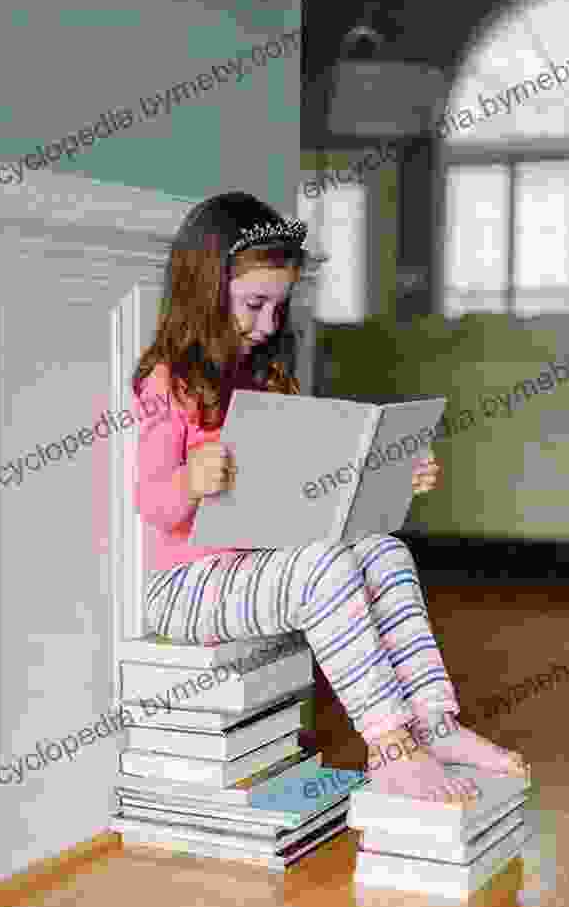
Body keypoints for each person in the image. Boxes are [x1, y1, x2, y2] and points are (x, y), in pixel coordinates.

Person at [131, 192, 528, 804]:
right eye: (253, 304)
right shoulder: (169, 383)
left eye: (277, 307)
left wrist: (391, 477)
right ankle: (392, 747)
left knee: (384, 550)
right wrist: (190, 481)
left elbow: (300, 494)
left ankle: (436, 725)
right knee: (326, 567)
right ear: (205, 290)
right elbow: (153, 505)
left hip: (253, 569)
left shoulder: (263, 378)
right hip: (185, 587)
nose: (266, 325)